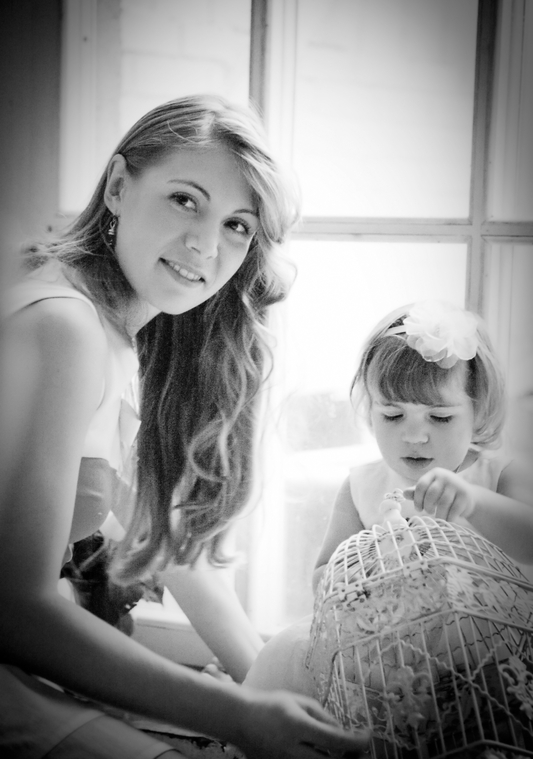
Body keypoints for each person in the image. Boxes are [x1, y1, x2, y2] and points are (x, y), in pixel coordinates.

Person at [0, 95, 368, 759]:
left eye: (237, 225)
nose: (205, 244)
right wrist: (238, 715)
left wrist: (270, 684)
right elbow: (15, 608)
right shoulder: (64, 327)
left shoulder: (117, 335)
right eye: (184, 200)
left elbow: (165, 543)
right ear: (118, 186)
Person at [244, 299, 533, 695]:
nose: (414, 435)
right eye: (393, 415)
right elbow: (324, 574)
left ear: (477, 411)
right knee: (290, 652)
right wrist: (366, 576)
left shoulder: (497, 474)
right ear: (371, 409)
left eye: (440, 417)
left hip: (490, 665)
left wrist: (475, 502)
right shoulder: (363, 486)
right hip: (386, 665)